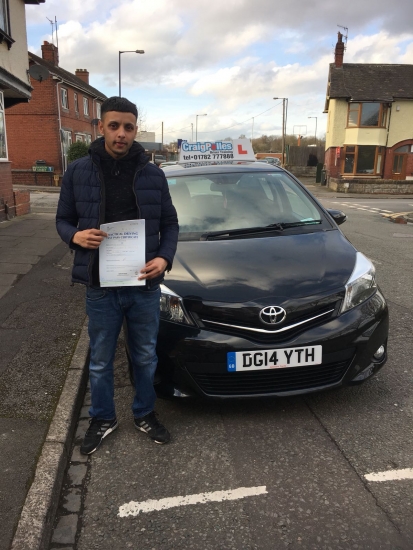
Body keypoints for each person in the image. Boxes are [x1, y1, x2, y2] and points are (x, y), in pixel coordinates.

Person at [56, 96, 179, 454]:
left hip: (143, 285)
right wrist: (74, 236)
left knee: (144, 355)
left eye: (128, 127)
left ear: (135, 129)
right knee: (100, 358)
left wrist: (164, 258)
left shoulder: (154, 175)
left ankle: (144, 413)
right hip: (100, 286)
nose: (121, 134)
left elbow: (170, 224)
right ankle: (103, 418)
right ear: (101, 127)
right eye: (114, 126)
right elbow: (62, 220)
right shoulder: (78, 172)